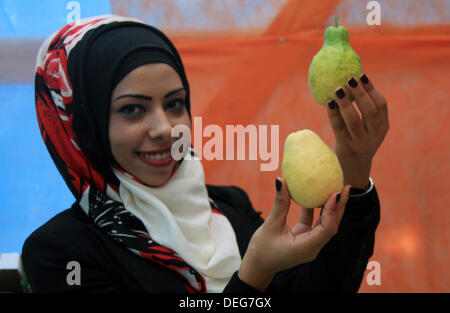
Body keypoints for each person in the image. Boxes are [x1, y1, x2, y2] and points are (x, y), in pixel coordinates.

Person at [22, 15, 388, 293]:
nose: (165, 128)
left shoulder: (230, 208)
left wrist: (354, 167)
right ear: (81, 125)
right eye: (133, 109)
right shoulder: (60, 253)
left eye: (175, 104)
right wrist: (253, 277)